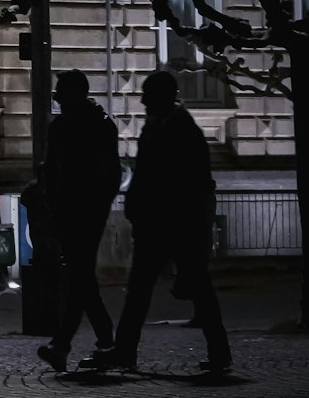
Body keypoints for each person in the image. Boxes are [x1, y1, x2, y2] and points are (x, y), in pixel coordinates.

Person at [92, 70, 231, 375]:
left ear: (162, 97)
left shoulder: (179, 130)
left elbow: (184, 182)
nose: (142, 101)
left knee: (173, 289)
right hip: (161, 223)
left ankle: (216, 352)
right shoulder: (163, 127)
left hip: (174, 223)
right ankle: (128, 350)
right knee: (147, 290)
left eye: (148, 95)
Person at [37, 70, 122, 373]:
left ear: (75, 93)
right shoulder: (91, 125)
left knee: (80, 276)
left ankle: (68, 343)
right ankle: (100, 339)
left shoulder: (86, 127)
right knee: (80, 277)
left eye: (61, 91)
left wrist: (62, 203)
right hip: (77, 211)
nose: (57, 97)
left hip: (82, 211)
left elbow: (109, 173)